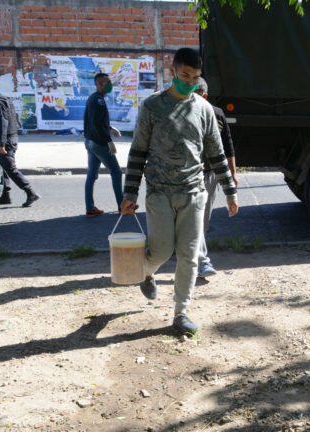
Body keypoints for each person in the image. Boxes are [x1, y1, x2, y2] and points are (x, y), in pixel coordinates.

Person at [120, 48, 239, 335]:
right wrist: (130, 194)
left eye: (196, 77)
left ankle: (180, 312)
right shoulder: (152, 107)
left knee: (189, 255)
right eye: (185, 75)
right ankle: (146, 273)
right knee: (161, 251)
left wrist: (230, 192)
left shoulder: (204, 109)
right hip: (160, 193)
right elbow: (138, 152)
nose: (190, 81)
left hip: (194, 194)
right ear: (173, 71)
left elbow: (217, 153)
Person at [193, 77, 238, 278]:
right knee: (192, 218)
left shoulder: (217, 114)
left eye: (197, 96)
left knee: (202, 219)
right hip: (188, 174)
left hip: (210, 173)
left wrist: (232, 174)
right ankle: (201, 261)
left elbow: (227, 146)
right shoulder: (180, 113)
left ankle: (196, 257)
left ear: (205, 96)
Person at [0, 87, 40, 207]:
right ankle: (5, 196)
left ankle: (30, 192)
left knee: (10, 168)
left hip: (6, 140)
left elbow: (3, 123)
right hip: (10, 138)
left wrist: (1, 144)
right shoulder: (6, 99)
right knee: (3, 166)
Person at [83, 72, 123, 217]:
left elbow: (98, 121)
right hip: (98, 143)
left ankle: (90, 207)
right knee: (117, 172)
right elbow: (97, 124)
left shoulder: (95, 98)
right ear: (99, 84)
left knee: (92, 175)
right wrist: (109, 141)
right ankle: (122, 205)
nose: (110, 85)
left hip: (90, 141)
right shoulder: (98, 100)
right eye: (107, 82)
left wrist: (110, 128)